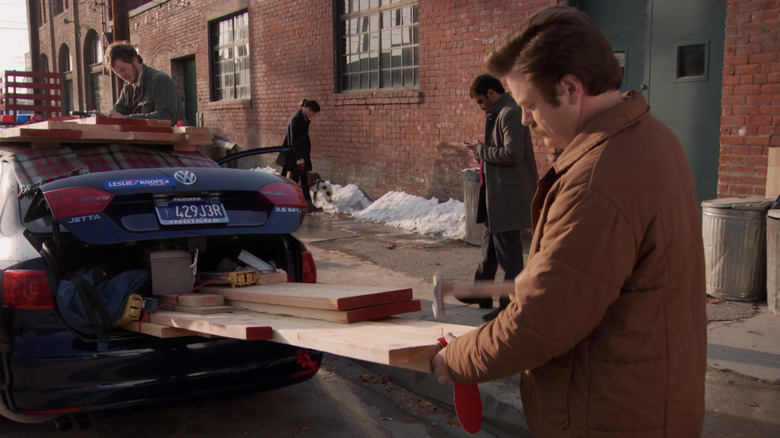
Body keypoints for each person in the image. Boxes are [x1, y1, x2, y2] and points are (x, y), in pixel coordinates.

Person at [432, 6, 706, 437]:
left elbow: (541, 320)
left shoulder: (597, 180)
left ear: (571, 88)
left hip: (606, 415)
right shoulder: (654, 137)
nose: (525, 119)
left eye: (530, 105)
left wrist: (458, 359)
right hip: (651, 397)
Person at [461, 73, 538, 321]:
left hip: (507, 195)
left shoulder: (510, 112)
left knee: (509, 257)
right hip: (495, 193)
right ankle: (481, 293)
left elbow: (512, 154)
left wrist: (480, 150)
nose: (481, 107)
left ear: (492, 93)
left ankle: (508, 307)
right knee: (490, 248)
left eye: (480, 102)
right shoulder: (499, 111)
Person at [104, 41, 183, 126]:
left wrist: (127, 120)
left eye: (123, 69)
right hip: (141, 138)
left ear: (135, 60)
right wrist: (103, 116)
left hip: (168, 138)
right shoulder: (128, 87)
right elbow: (117, 112)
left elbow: (166, 117)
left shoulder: (160, 81)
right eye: (117, 73)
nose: (122, 75)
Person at [278, 99, 321, 212]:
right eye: (313, 113)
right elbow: (294, 141)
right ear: (307, 109)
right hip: (296, 156)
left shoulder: (303, 119)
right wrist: (299, 159)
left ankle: (307, 204)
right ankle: (291, 203)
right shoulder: (296, 120)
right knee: (294, 181)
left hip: (302, 154)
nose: (313, 115)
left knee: (304, 179)